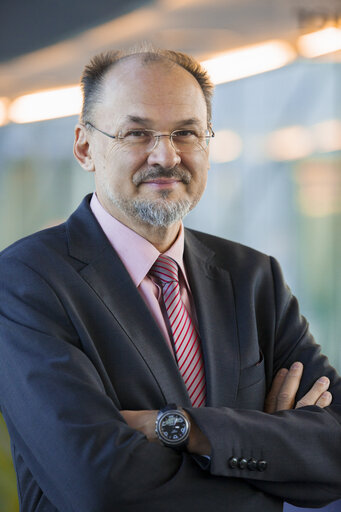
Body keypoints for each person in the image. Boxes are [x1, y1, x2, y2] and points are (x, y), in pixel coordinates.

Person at [0, 45, 340, 512]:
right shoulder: (25, 282)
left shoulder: (253, 277)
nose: (166, 155)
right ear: (84, 147)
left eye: (186, 132)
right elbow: (100, 489)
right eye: (137, 132)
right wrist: (263, 452)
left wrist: (185, 429)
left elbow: (335, 452)